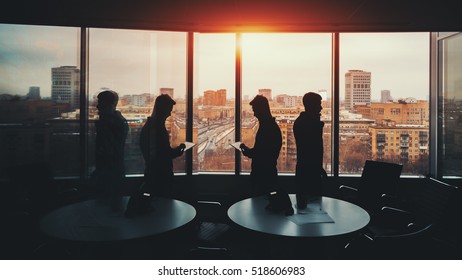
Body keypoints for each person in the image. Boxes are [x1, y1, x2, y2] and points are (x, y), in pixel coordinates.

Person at [139, 94, 186, 198]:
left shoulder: (151, 126)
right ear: (161, 109)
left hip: (154, 173)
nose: (169, 114)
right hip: (160, 176)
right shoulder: (157, 129)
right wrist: (178, 151)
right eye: (168, 110)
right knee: (162, 204)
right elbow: (163, 154)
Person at [240, 95, 282, 197]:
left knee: (260, 205)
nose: (254, 114)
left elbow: (261, 153)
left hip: (263, 176)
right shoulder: (270, 126)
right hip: (268, 174)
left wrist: (246, 150)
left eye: (255, 110)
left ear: (261, 109)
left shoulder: (267, 128)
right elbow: (264, 151)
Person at [93, 90, 129, 199]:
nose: (97, 106)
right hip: (113, 170)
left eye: (101, 103)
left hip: (109, 173)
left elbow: (107, 150)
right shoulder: (118, 121)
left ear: (109, 105)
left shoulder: (110, 123)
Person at [293, 92, 326, 209]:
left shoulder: (301, 122)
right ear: (311, 105)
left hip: (307, 170)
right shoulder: (306, 124)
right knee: (312, 207)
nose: (321, 108)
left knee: (309, 208)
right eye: (318, 104)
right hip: (308, 172)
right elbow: (310, 148)